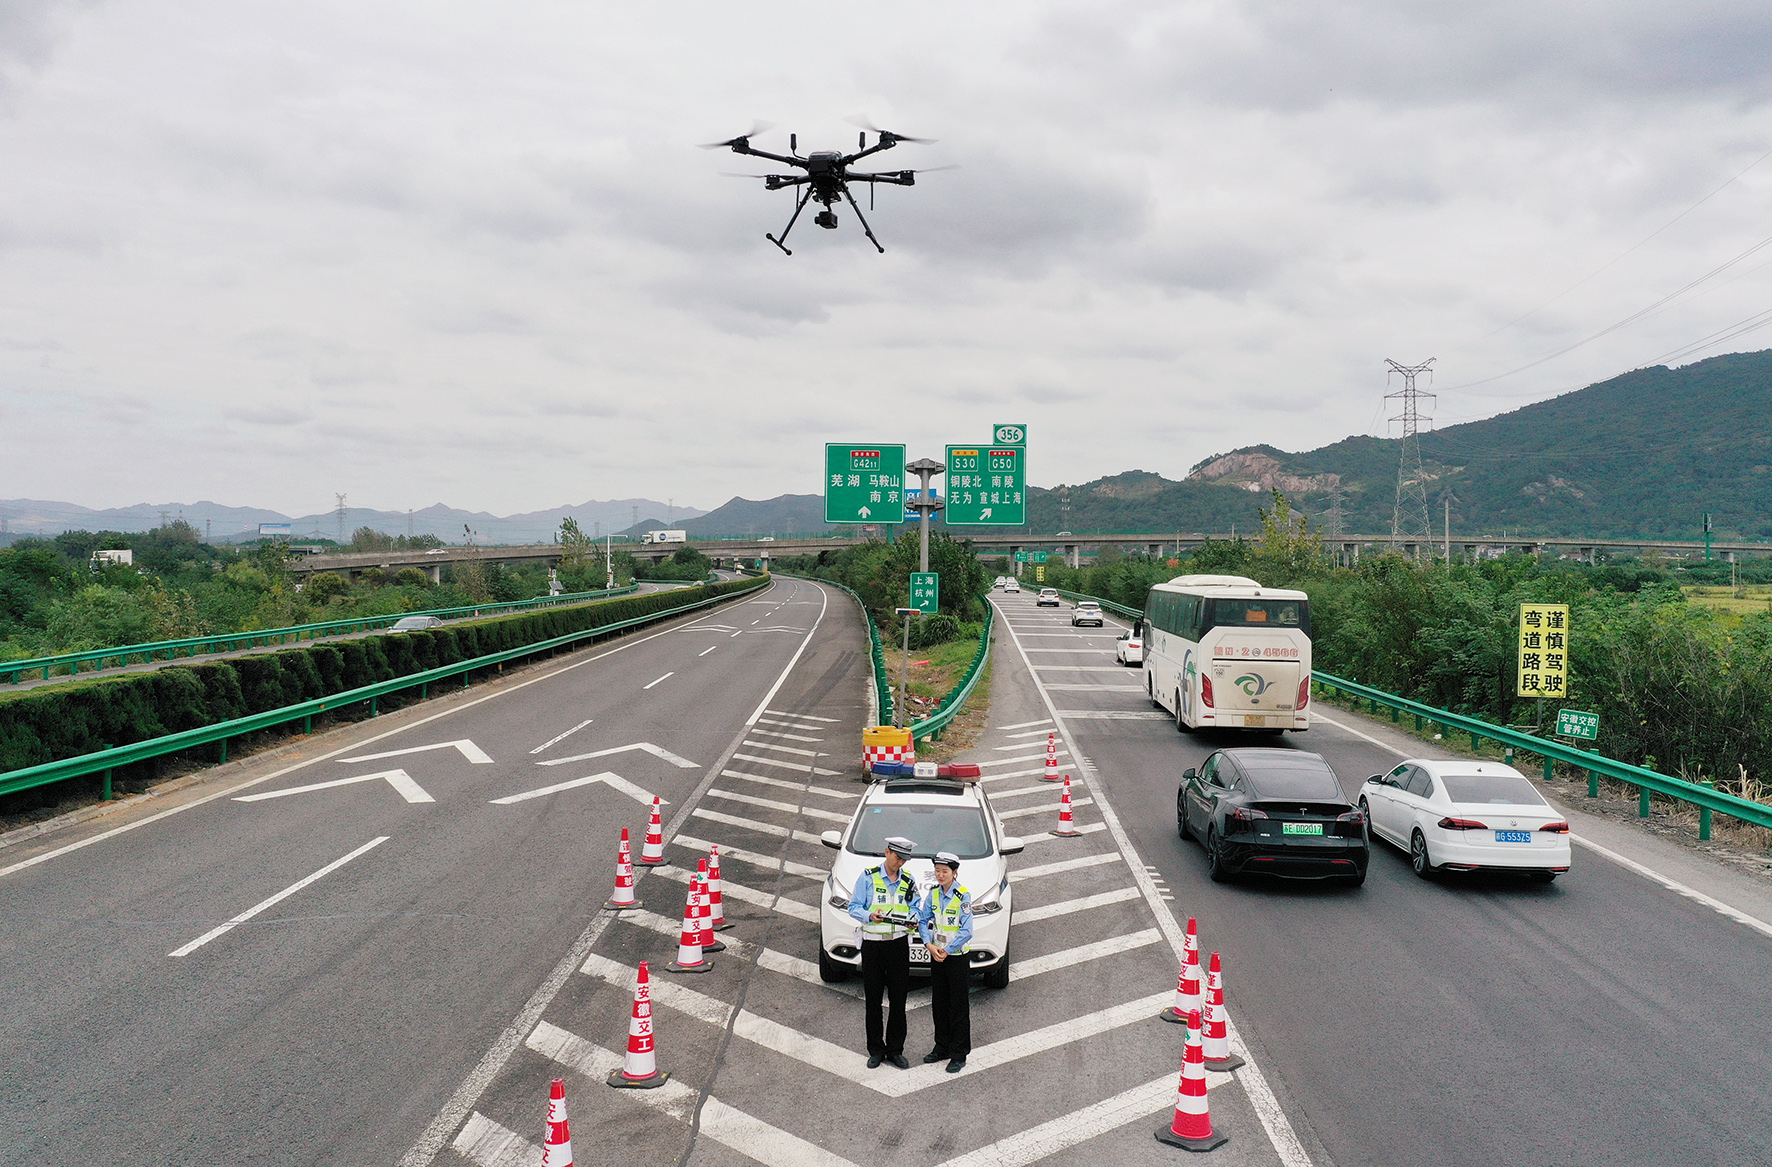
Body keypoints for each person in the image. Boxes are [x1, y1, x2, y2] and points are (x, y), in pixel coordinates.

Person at [847, 834, 920, 1069]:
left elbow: (916, 907)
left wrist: (913, 919)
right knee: (873, 1000)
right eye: (898, 857)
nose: (900, 863)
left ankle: (895, 1050)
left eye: (904, 860)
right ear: (887, 852)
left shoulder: (908, 880)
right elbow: (853, 907)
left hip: (898, 944)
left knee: (898, 1000)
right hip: (873, 945)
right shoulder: (868, 877)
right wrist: (870, 916)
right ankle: (876, 1050)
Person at [917, 851, 973, 1073]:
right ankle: (941, 1047)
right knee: (939, 1003)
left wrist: (947, 951)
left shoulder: (962, 896)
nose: (940, 875)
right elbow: (923, 920)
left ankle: (958, 1053)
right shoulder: (933, 894)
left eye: (945, 871)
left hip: (956, 957)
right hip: (937, 955)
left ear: (954, 872)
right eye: (937, 871)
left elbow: (967, 931)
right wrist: (929, 945)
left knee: (958, 1005)